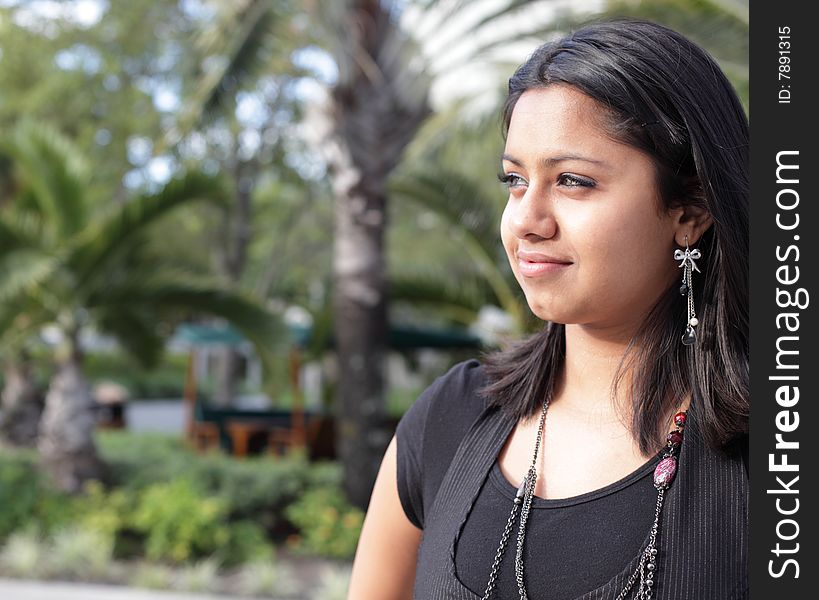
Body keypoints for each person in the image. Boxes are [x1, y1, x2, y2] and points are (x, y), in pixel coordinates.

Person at [348, 18, 748, 600]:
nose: (528, 220)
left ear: (689, 211)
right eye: (514, 180)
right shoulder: (451, 420)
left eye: (573, 181)